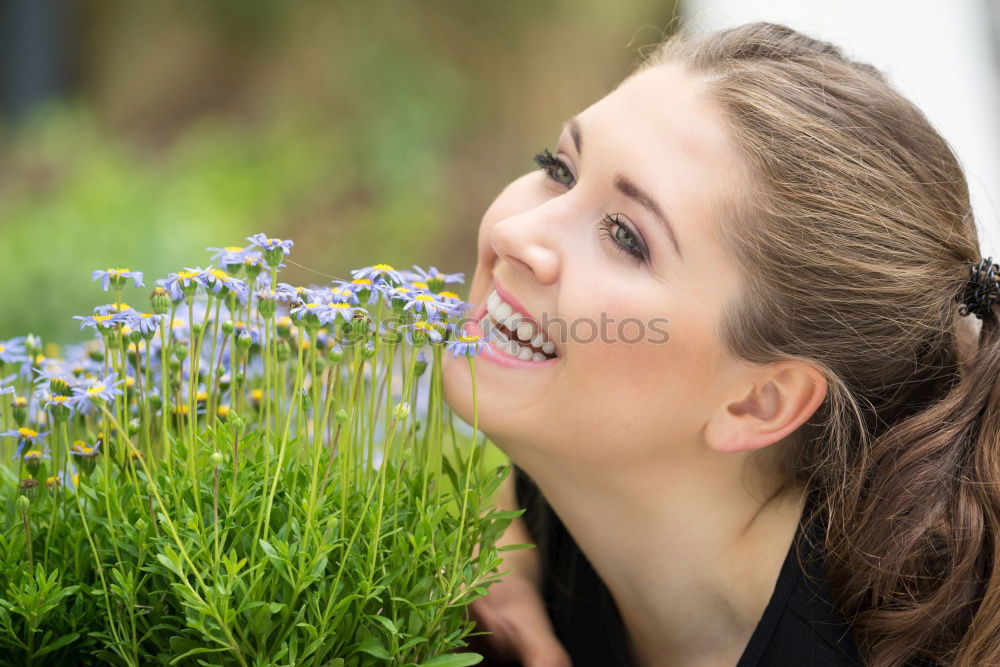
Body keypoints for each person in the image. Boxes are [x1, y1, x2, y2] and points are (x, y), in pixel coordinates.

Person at [440, 20, 1000, 667]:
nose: (517, 232)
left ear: (759, 401)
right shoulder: (573, 473)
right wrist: (492, 554)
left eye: (625, 236)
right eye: (559, 169)